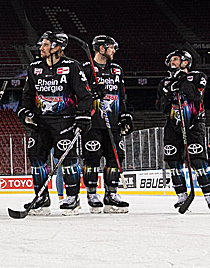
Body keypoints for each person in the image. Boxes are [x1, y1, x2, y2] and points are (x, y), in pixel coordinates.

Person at [17, 32, 94, 215]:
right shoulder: (34, 68)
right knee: (36, 158)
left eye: (45, 45)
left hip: (65, 122)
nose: (41, 48)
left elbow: (85, 94)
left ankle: (72, 197)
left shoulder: (71, 66)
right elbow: (27, 95)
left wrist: (83, 115)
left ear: (57, 47)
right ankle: (41, 198)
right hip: (40, 123)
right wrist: (24, 112)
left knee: (67, 160)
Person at [157, 49, 210, 211]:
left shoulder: (198, 76)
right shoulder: (164, 82)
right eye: (171, 60)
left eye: (176, 59)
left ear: (185, 62)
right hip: (173, 125)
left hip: (194, 124)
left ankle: (209, 195)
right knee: (173, 161)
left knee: (197, 161)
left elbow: (197, 97)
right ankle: (181, 196)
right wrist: (168, 93)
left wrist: (182, 81)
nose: (172, 62)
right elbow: (161, 107)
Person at [80, 35, 132, 213]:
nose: (114, 50)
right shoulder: (85, 69)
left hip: (114, 122)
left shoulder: (117, 70)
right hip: (93, 123)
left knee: (115, 159)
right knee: (92, 158)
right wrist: (90, 94)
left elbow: (121, 95)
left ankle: (111, 194)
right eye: (111, 47)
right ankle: (92, 193)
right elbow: (78, 95)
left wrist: (125, 115)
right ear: (101, 49)